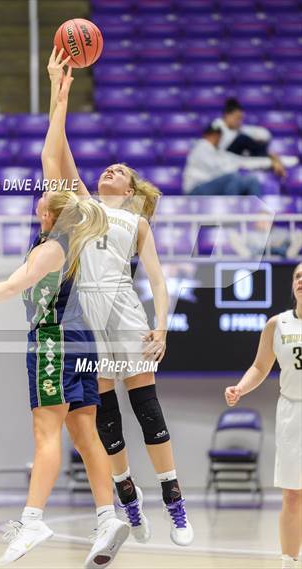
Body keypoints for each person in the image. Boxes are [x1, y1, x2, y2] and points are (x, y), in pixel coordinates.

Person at [0, 69, 129, 569]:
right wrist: (58, 91)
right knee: (83, 430)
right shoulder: (79, 227)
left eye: (44, 195)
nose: (39, 192)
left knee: (45, 431)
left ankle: (31, 518)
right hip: (84, 340)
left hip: (53, 339)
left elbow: (13, 286)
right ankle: (107, 514)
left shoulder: (55, 243)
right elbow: (55, 154)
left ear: (53, 209)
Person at [47, 48, 193, 546]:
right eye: (106, 168)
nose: (110, 171)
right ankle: (128, 497)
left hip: (126, 313)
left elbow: (157, 281)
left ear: (130, 189)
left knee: (147, 409)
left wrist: (163, 325)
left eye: (119, 171)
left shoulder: (137, 221)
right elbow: (57, 152)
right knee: (106, 418)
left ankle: (174, 502)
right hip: (87, 317)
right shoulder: (84, 207)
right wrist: (58, 91)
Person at [225, 263, 302, 569]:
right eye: (298, 276)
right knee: (293, 494)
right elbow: (259, 367)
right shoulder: (277, 324)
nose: (301, 281)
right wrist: (240, 389)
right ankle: (288, 561)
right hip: (292, 413)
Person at [183, 124, 278, 196]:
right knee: (232, 178)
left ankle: (259, 218)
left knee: (252, 180)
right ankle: (232, 218)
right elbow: (218, 170)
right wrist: (234, 168)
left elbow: (241, 161)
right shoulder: (201, 146)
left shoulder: (218, 151)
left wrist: (270, 162)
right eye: (217, 136)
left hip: (214, 186)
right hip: (195, 190)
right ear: (210, 135)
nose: (218, 139)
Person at [212, 97, 297, 174]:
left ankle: (273, 158)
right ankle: (273, 158)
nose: (239, 121)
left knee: (256, 141)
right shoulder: (217, 126)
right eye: (237, 118)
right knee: (243, 139)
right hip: (222, 157)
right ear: (227, 115)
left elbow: (265, 134)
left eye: (241, 119)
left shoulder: (239, 128)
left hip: (239, 156)